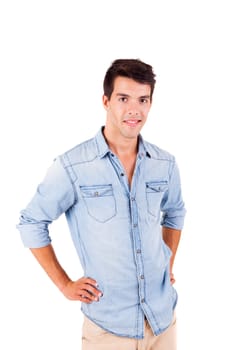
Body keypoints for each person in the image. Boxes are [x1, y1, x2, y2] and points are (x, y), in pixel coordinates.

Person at [17, 58, 186, 350]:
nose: (134, 109)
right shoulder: (73, 166)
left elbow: (175, 212)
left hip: (162, 322)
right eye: (124, 98)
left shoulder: (165, 164)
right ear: (106, 101)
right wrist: (65, 285)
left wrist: (166, 262)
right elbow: (32, 222)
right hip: (108, 330)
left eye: (143, 100)